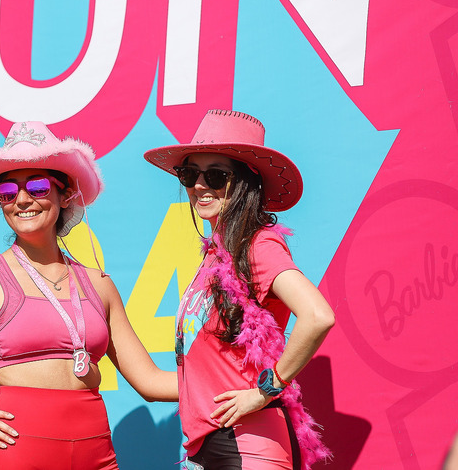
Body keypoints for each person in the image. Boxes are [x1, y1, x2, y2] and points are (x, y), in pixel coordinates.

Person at [0, 121, 177, 469]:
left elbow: (149, 381)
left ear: (65, 194)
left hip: (97, 456)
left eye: (37, 186)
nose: (22, 200)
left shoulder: (98, 283)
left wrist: (232, 384)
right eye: (7, 191)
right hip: (17, 455)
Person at [143, 109, 335, 470]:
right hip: (207, 449)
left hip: (248, 444)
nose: (200, 186)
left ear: (245, 183)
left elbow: (317, 315)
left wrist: (266, 390)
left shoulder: (257, 245)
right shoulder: (215, 257)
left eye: (216, 175)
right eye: (190, 174)